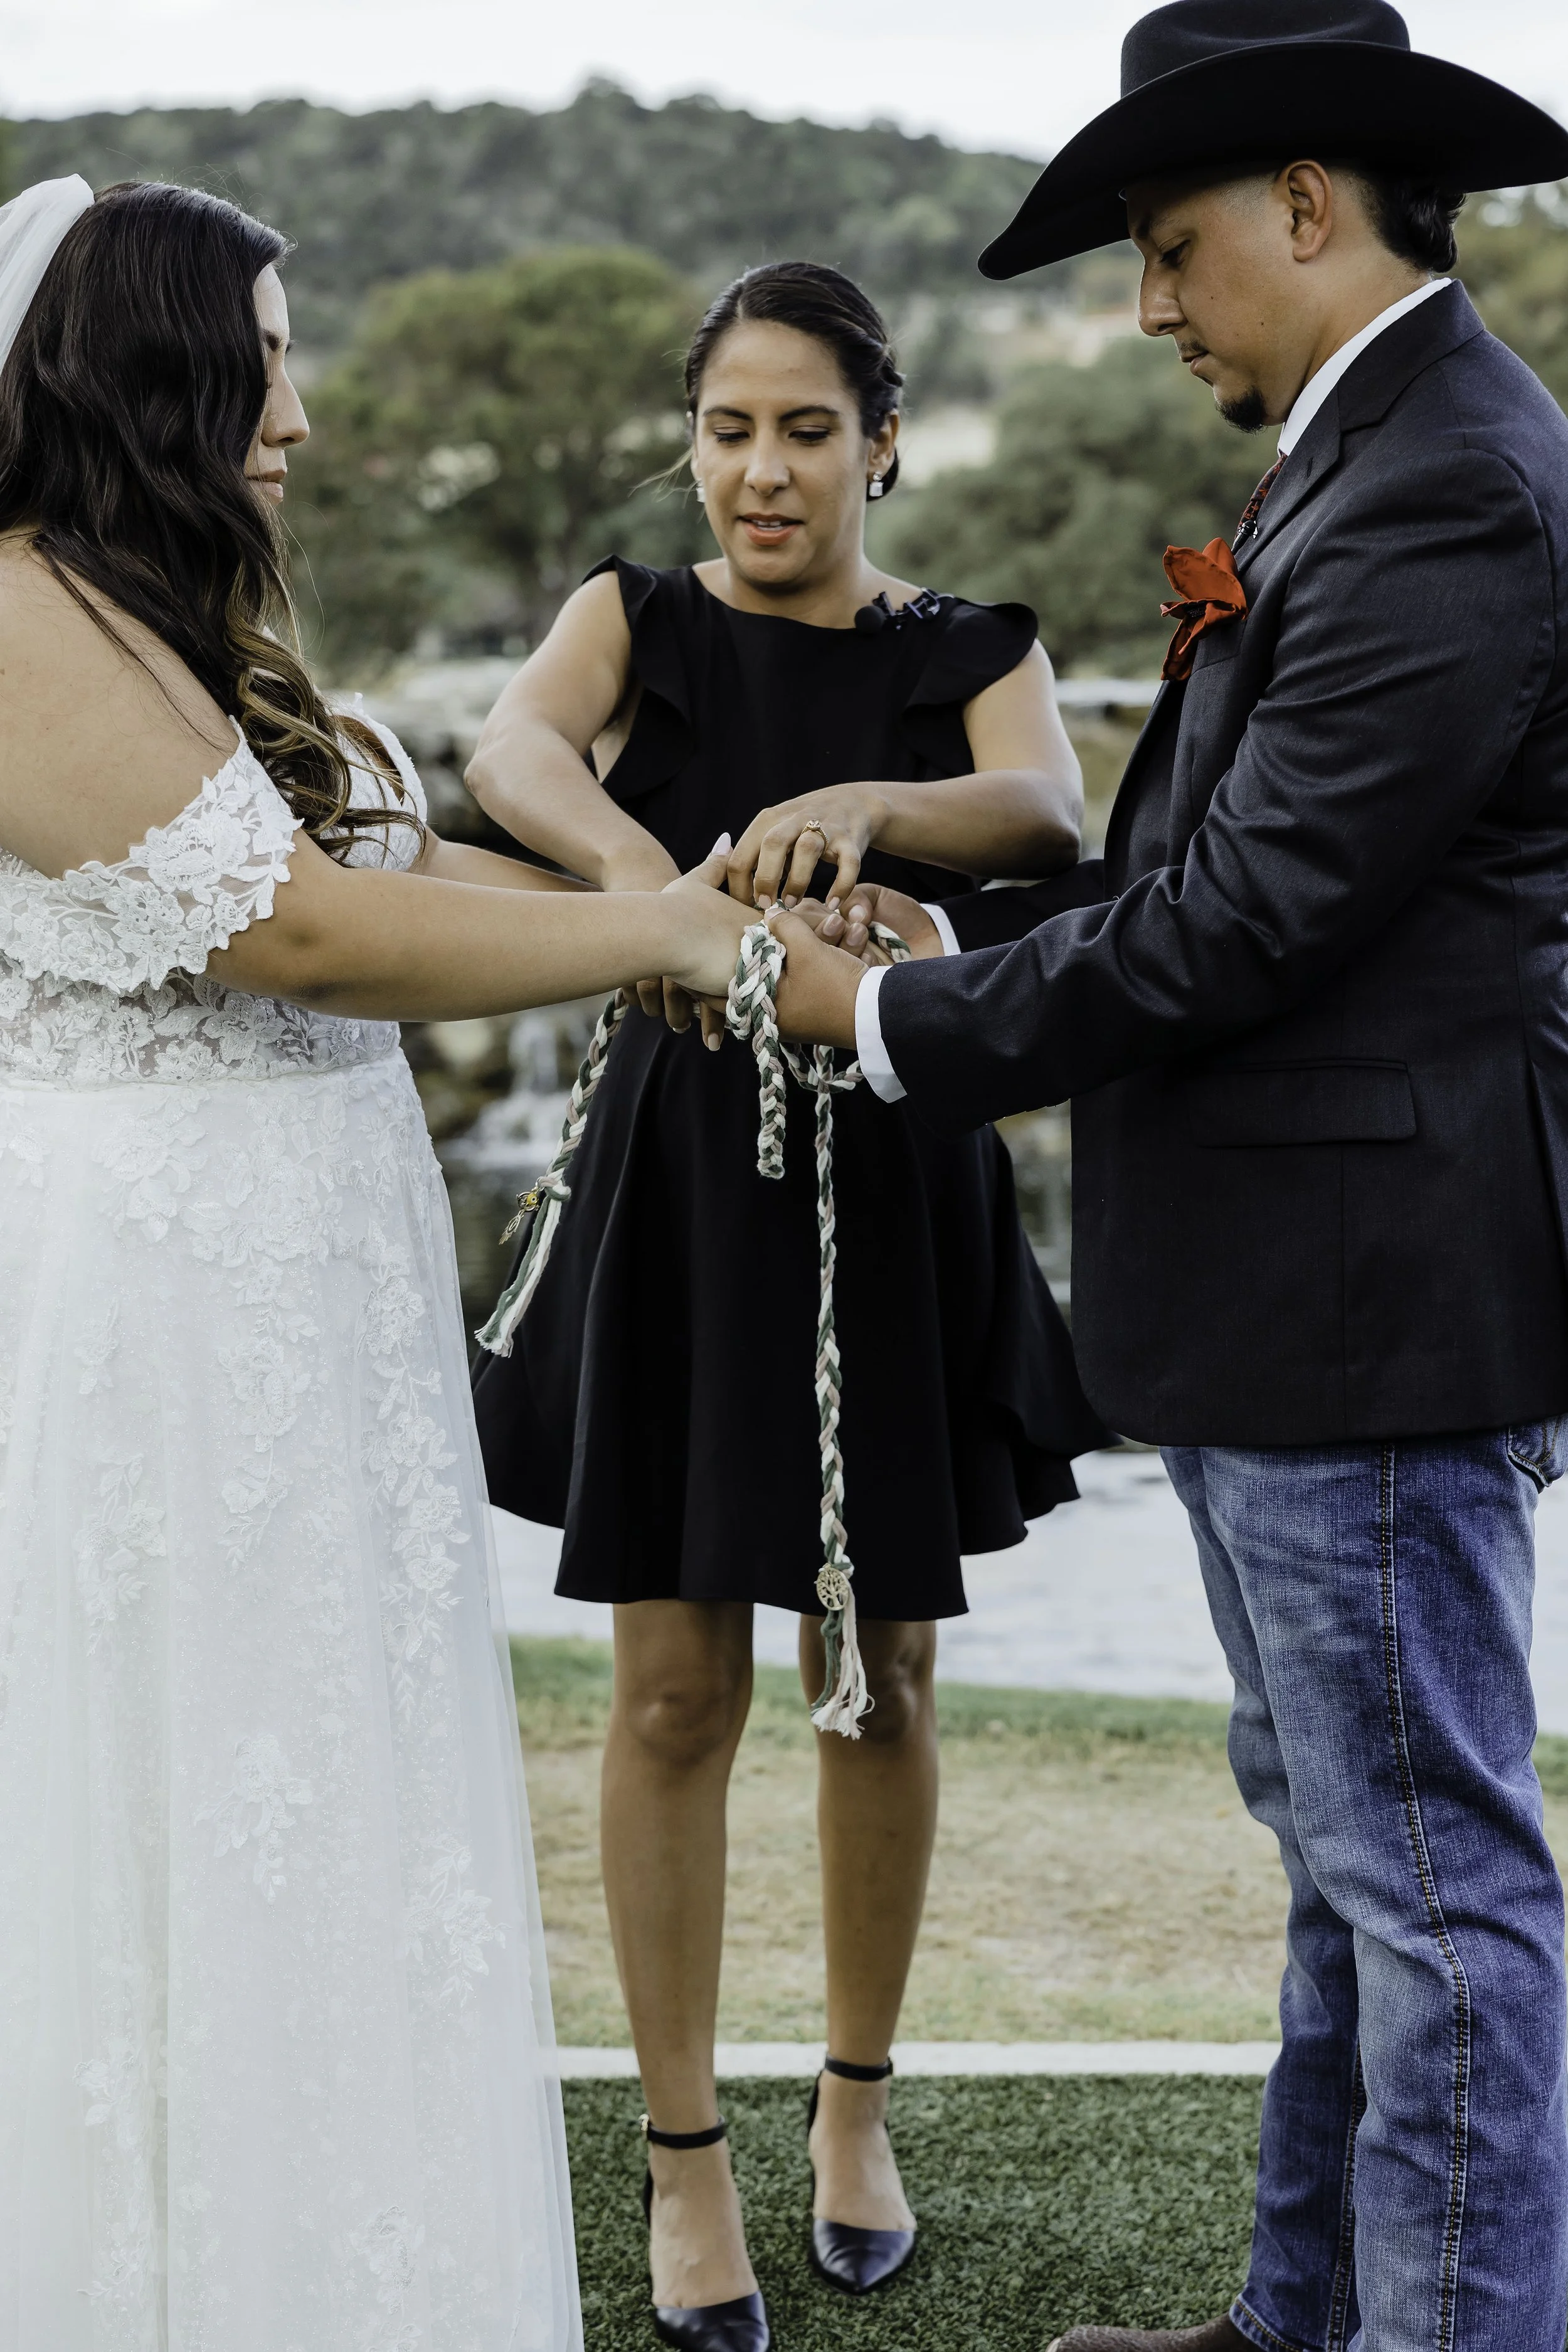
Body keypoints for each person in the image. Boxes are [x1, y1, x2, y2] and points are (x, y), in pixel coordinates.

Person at [767, 4, 1568, 2348]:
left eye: (1166, 246)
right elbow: (1212, 872)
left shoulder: (1443, 476)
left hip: (1371, 1293)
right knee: (1355, 1857)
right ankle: (1302, 2316)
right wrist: (956, 928)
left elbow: (1251, 919)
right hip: (1302, 1285)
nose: (1146, 304)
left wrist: (882, 1018)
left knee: (1424, 1880)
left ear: (1307, 206)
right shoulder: (1378, 454)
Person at [0, 176, 753, 2352]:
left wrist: (710, 901)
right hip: (155, 1322)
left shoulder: (171, 621)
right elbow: (300, 932)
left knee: (320, 1809)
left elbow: (394, 851)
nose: (302, 414)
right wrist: (664, 939)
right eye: (263, 356)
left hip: (295, 1310)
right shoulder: (23, 610)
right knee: (176, 1802)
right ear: (147, 371)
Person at [466, 260, 1106, 2350]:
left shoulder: (973, 648)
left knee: (880, 1674)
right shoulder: (629, 619)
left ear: (882, 439)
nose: (763, 469)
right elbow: (510, 755)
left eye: (807, 428)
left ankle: (852, 2109)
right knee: (670, 1689)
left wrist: (866, 807)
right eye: (730, 427)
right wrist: (663, 895)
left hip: (895, 1182)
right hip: (686, 1187)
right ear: (692, 440)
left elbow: (1047, 808)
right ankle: (679, 2160)